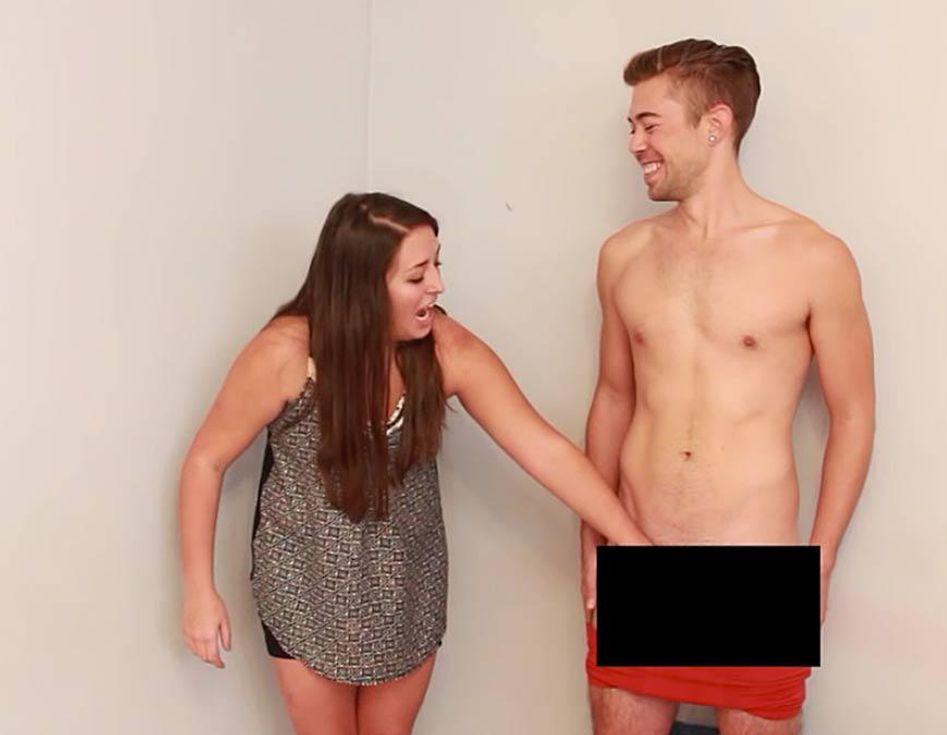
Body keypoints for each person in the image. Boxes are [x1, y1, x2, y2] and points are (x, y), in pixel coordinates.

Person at [178, 192, 649, 735]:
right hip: (305, 585)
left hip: (406, 585)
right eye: (417, 275)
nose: (438, 286)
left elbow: (543, 448)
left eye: (437, 266)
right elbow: (205, 461)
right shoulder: (284, 353)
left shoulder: (445, 348)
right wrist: (198, 590)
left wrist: (630, 541)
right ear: (364, 286)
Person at [580, 39, 875, 735]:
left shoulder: (814, 257)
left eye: (649, 124)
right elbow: (613, 399)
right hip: (639, 554)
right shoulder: (623, 256)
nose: (634, 143)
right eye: (631, 126)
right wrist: (592, 542)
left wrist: (820, 562)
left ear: (715, 124)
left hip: (756, 572)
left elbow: (853, 414)